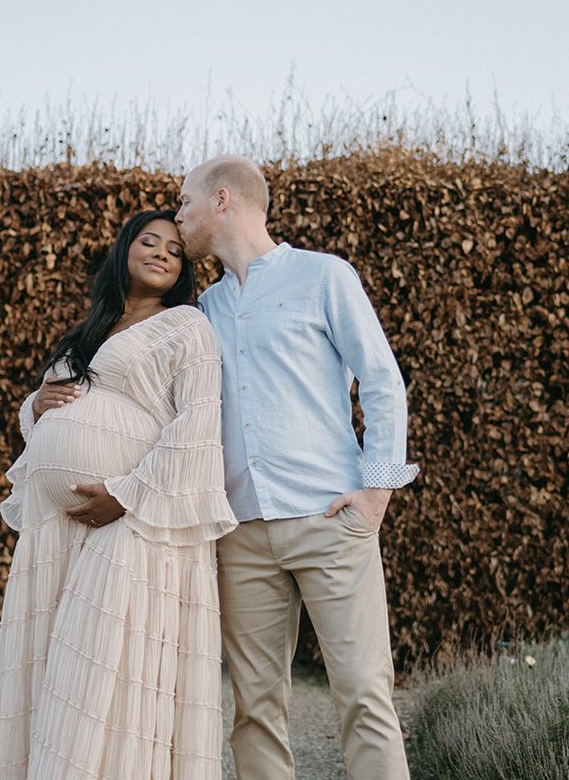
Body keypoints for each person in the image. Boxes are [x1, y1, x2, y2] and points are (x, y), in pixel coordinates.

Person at [175, 156, 418, 779]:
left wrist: (376, 494)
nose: (178, 218)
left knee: (365, 694)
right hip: (243, 534)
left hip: (331, 521)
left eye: (184, 203)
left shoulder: (323, 276)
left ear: (221, 199)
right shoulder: (205, 308)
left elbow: (383, 381)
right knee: (254, 708)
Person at [0, 209, 236, 780]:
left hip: (129, 519)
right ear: (124, 250)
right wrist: (34, 405)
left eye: (174, 250)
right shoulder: (88, 330)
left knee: (100, 671)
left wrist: (125, 494)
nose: (162, 253)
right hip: (56, 527)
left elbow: (198, 424)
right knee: (46, 668)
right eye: (148, 242)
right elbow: (53, 413)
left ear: (184, 271)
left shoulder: (187, 328)